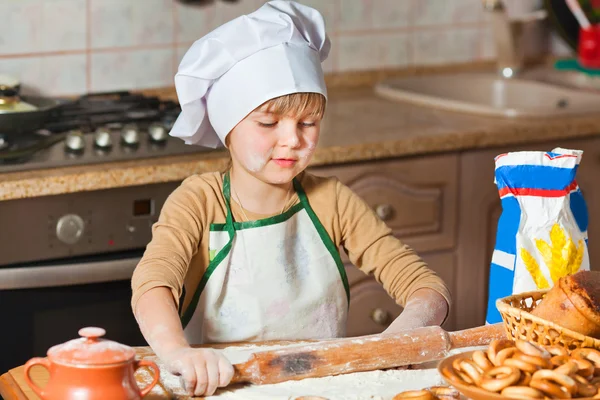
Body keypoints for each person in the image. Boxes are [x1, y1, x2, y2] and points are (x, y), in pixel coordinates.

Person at [131, 1, 451, 397]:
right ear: (228, 127)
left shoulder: (331, 201)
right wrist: (178, 352)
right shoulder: (200, 201)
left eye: (308, 123)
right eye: (268, 123)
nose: (292, 140)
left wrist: (403, 334)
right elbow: (152, 283)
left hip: (317, 390)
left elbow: (425, 285)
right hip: (220, 389)